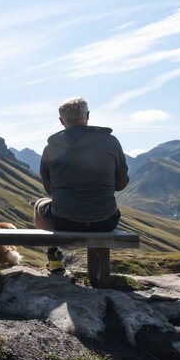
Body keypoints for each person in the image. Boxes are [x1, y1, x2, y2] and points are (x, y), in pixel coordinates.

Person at [33, 97, 129, 272]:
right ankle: (100, 268)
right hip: (105, 220)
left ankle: (54, 258)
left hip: (64, 220)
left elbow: (49, 189)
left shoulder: (50, 148)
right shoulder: (111, 142)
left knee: (40, 203)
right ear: (88, 116)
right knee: (103, 208)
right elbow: (121, 182)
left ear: (62, 121)